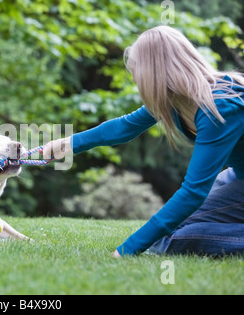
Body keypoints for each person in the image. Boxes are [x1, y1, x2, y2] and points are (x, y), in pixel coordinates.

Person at [43, 26, 244, 257]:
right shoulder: (174, 100)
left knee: (168, 239)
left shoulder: (219, 108)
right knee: (172, 227)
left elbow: (193, 193)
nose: (135, 79)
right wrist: (69, 143)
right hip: (237, 177)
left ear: (153, 73)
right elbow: (124, 126)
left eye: (136, 71)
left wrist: (127, 250)